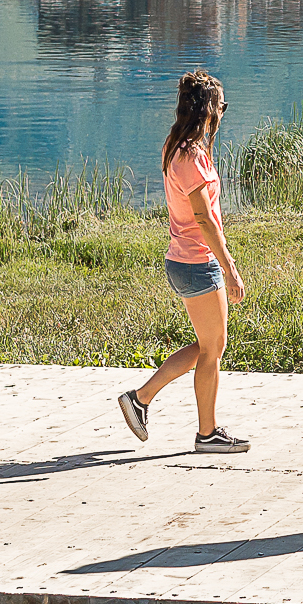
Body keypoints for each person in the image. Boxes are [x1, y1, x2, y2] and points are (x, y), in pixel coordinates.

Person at [117, 71, 251, 453]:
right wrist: (229, 267)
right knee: (213, 349)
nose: (223, 113)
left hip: (184, 260)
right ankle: (206, 434)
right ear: (209, 110)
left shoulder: (178, 146)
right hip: (197, 262)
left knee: (209, 345)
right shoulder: (190, 156)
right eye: (222, 106)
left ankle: (140, 399)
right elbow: (204, 218)